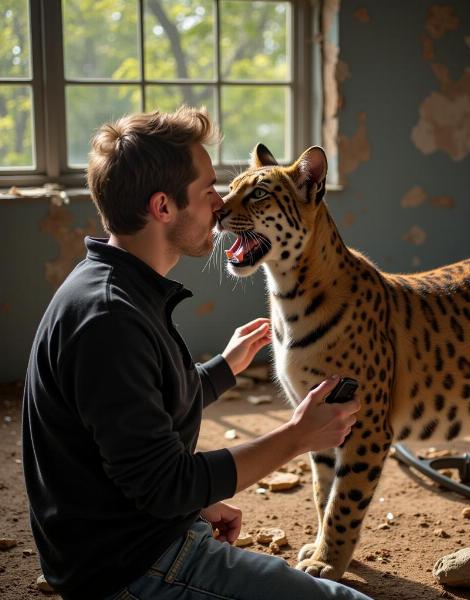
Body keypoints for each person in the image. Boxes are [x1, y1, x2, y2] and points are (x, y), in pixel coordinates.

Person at [22, 106, 370, 600]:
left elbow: (140, 421)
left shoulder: (116, 285)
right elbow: (167, 482)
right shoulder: (109, 319)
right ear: (163, 208)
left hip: (140, 536)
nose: (223, 204)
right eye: (210, 190)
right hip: (135, 568)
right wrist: (297, 436)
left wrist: (223, 370)